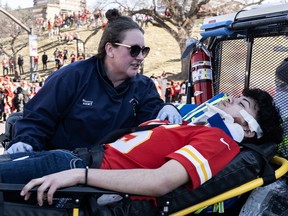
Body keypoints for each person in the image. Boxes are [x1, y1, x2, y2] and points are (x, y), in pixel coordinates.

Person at [0, 88, 280, 215]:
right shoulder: (195, 126)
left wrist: (78, 176)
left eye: (239, 102)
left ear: (249, 129)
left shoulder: (219, 142)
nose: (229, 99)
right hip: (68, 161)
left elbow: (161, 182)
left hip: (75, 173)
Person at [5, 9, 181, 154]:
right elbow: (38, 118)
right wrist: (25, 142)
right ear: (110, 49)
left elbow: (151, 122)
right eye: (134, 50)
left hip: (114, 175)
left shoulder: (143, 86)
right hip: (65, 171)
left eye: (144, 50)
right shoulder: (72, 77)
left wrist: (165, 109)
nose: (141, 57)